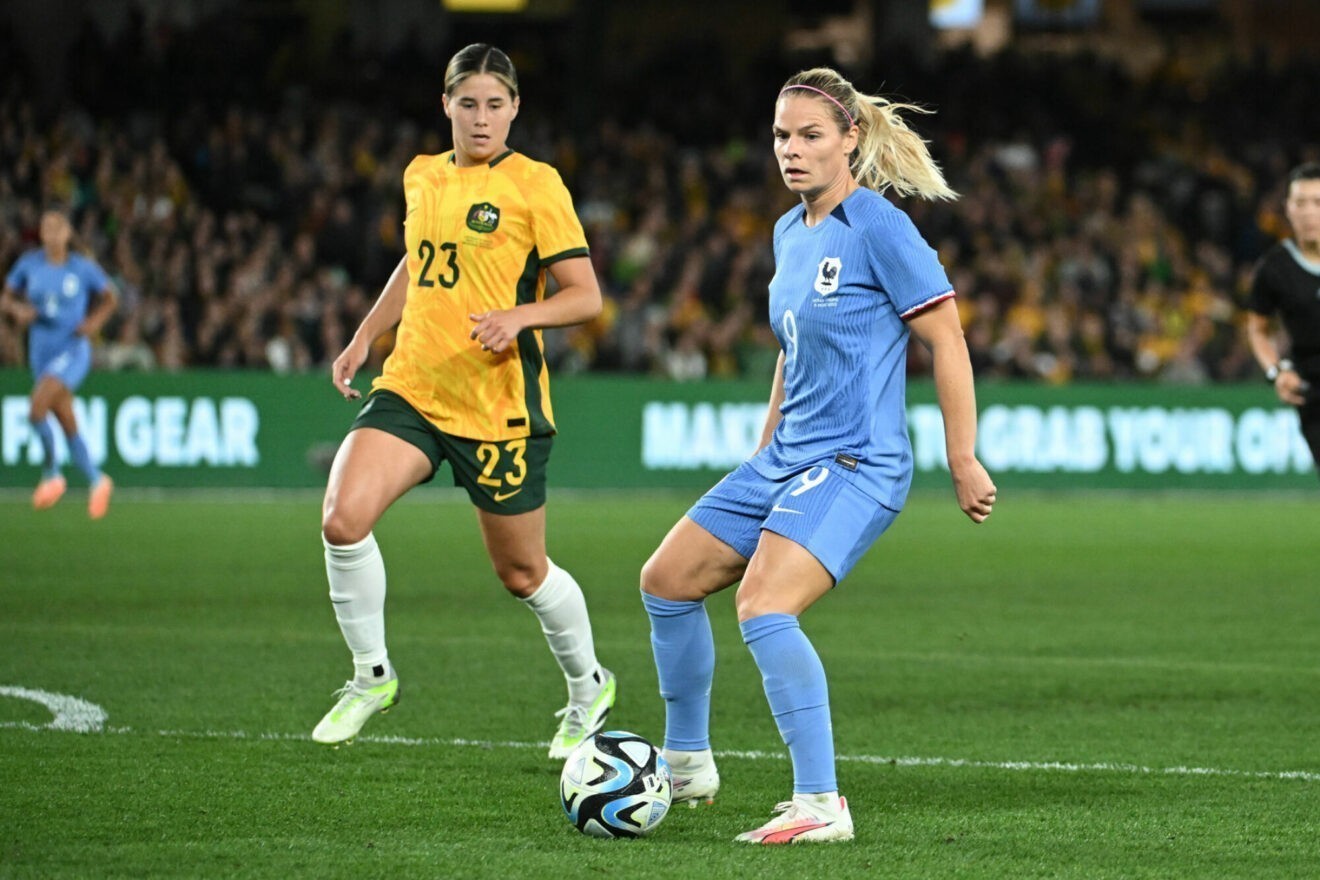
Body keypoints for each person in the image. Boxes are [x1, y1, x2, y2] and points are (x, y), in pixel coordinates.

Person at [639, 68, 997, 844]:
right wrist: (766, 445)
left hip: (858, 462)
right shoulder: (786, 232)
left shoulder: (880, 228)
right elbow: (789, 350)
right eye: (780, 136)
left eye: (809, 136)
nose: (791, 151)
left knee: (764, 606)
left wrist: (962, 457)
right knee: (666, 581)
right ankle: (688, 757)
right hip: (788, 456)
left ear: (850, 141)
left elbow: (946, 339)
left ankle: (821, 803)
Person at [312, 44, 615, 756]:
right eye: (469, 103)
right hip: (415, 384)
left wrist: (518, 317)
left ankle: (587, 684)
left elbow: (585, 296)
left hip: (498, 403)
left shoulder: (537, 185)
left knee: (521, 574)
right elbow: (418, 261)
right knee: (341, 519)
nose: (482, 119)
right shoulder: (421, 176)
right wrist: (364, 336)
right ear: (445, 105)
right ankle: (370, 676)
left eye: (496, 105)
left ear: (515, 109)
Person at [0, 205, 117, 518]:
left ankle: (52, 475)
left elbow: (111, 297)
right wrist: (16, 310)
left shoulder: (82, 268)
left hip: (72, 348)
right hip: (41, 349)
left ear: (67, 233)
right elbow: (6, 297)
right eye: (45, 227)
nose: (50, 233)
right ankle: (97, 480)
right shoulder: (29, 265)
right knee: (66, 421)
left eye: (57, 227)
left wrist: (94, 323)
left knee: (36, 409)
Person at [1246, 162, 1320, 473]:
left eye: (1317, 202)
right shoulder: (1275, 268)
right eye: (1299, 202)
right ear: (1287, 209)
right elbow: (1257, 328)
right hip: (1315, 395)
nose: (1308, 212)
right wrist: (1277, 372)